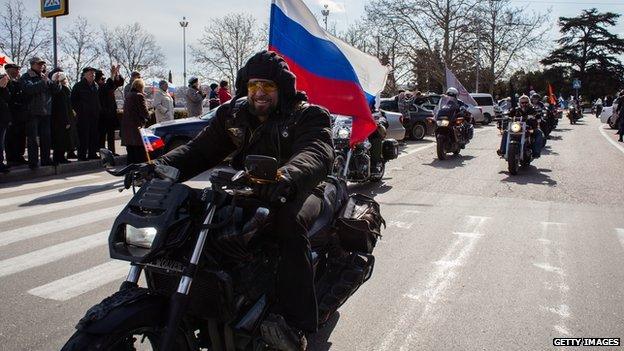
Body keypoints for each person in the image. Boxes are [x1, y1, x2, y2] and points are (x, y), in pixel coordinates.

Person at [155, 50, 333, 350]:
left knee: (287, 223)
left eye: (268, 86)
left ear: (282, 88)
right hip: (248, 187)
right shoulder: (234, 114)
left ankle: (296, 324)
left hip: (300, 188)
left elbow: (317, 152)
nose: (259, 93)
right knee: (200, 220)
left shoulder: (307, 114)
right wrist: (159, 168)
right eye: (253, 86)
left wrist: (286, 176)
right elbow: (200, 151)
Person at [20, 56, 60, 169]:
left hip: (46, 112)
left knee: (46, 138)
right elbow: (29, 89)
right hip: (32, 113)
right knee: (33, 139)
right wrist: (43, 82)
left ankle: (46, 159)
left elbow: (56, 91)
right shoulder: (26, 77)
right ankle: (33, 162)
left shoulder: (45, 77)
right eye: (39, 64)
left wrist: (56, 82)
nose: (41, 66)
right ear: (32, 65)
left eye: (42, 64)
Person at [71, 67, 101, 160]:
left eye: (94, 74)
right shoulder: (78, 86)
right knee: (83, 136)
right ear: (85, 75)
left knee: (93, 135)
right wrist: (80, 110)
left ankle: (92, 153)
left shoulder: (95, 85)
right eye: (90, 73)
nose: (93, 75)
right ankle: (82, 155)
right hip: (83, 116)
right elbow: (73, 101)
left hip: (94, 115)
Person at [121, 78, 150, 164]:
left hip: (127, 128)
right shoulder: (139, 96)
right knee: (140, 154)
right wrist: (150, 114)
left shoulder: (129, 95)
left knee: (131, 154)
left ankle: (130, 172)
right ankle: (140, 173)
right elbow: (144, 112)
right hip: (136, 128)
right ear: (141, 87)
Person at [4, 63, 27, 167]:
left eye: (18, 70)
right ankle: (11, 158)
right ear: (8, 70)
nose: (17, 71)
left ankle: (19, 156)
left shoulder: (18, 82)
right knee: (11, 137)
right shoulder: (6, 82)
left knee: (20, 136)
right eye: (15, 69)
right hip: (10, 113)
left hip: (20, 114)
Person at [97, 66, 124, 155]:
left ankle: (112, 151)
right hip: (102, 115)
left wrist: (117, 73)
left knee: (111, 134)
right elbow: (109, 85)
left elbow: (118, 83)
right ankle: (103, 153)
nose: (104, 80)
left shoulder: (108, 86)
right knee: (102, 135)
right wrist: (112, 74)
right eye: (102, 78)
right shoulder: (98, 88)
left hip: (111, 114)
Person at [49, 69, 73, 164]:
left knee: (61, 139)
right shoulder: (61, 91)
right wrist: (67, 121)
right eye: (65, 79)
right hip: (61, 120)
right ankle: (59, 157)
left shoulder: (61, 90)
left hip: (59, 119)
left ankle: (60, 157)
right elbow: (63, 108)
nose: (66, 80)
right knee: (61, 140)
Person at [0, 73, 10, 172]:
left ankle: (1, 162)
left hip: (3, 119)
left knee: (1, 143)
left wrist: (3, 87)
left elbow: (7, 98)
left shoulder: (3, 88)